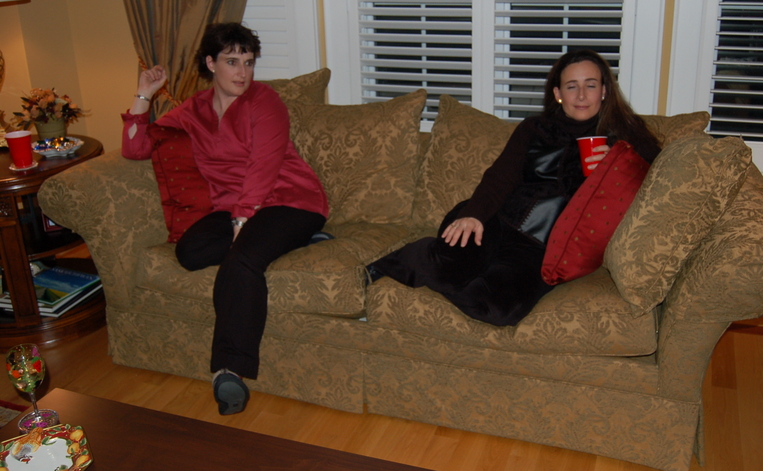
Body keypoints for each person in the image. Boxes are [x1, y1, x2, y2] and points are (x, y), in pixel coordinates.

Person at [120, 22, 329, 415]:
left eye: (248, 62)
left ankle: (229, 369)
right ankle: (291, 243)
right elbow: (136, 148)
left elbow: (264, 166)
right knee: (189, 252)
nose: (242, 72)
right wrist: (144, 93)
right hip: (232, 208)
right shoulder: (194, 110)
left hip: (290, 200)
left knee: (241, 260)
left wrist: (242, 222)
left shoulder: (265, 102)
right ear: (210, 63)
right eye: (232, 62)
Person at [367, 49, 661, 327]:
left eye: (590, 85)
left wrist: (617, 164)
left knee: (495, 309)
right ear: (558, 94)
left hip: (539, 249)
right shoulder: (534, 129)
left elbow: (657, 181)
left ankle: (470, 272)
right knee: (448, 269)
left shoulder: (626, 137)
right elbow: (500, 177)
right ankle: (399, 261)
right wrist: (474, 214)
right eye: (571, 86)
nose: (581, 95)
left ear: (604, 90)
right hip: (495, 221)